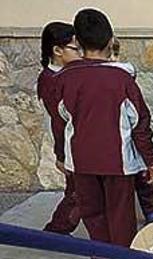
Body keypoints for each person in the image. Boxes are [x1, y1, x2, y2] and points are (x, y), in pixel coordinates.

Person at [54, 8, 153, 259]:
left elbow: (62, 118)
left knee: (93, 215)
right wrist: (149, 159)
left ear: (77, 40)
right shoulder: (122, 79)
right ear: (111, 40)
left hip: (82, 161)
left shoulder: (64, 78)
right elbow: (139, 121)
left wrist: (61, 155)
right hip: (118, 161)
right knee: (121, 215)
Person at [109, 36, 153, 224]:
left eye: (116, 53)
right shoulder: (125, 78)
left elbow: (139, 121)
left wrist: (148, 156)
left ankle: (150, 214)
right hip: (124, 150)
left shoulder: (123, 80)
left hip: (126, 148)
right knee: (140, 183)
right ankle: (150, 214)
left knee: (141, 182)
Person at [38, 21, 81, 235]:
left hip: (74, 145)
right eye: (76, 48)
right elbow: (59, 120)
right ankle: (56, 232)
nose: (81, 53)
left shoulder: (66, 74)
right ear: (57, 51)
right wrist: (61, 154)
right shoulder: (50, 80)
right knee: (77, 194)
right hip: (67, 145)